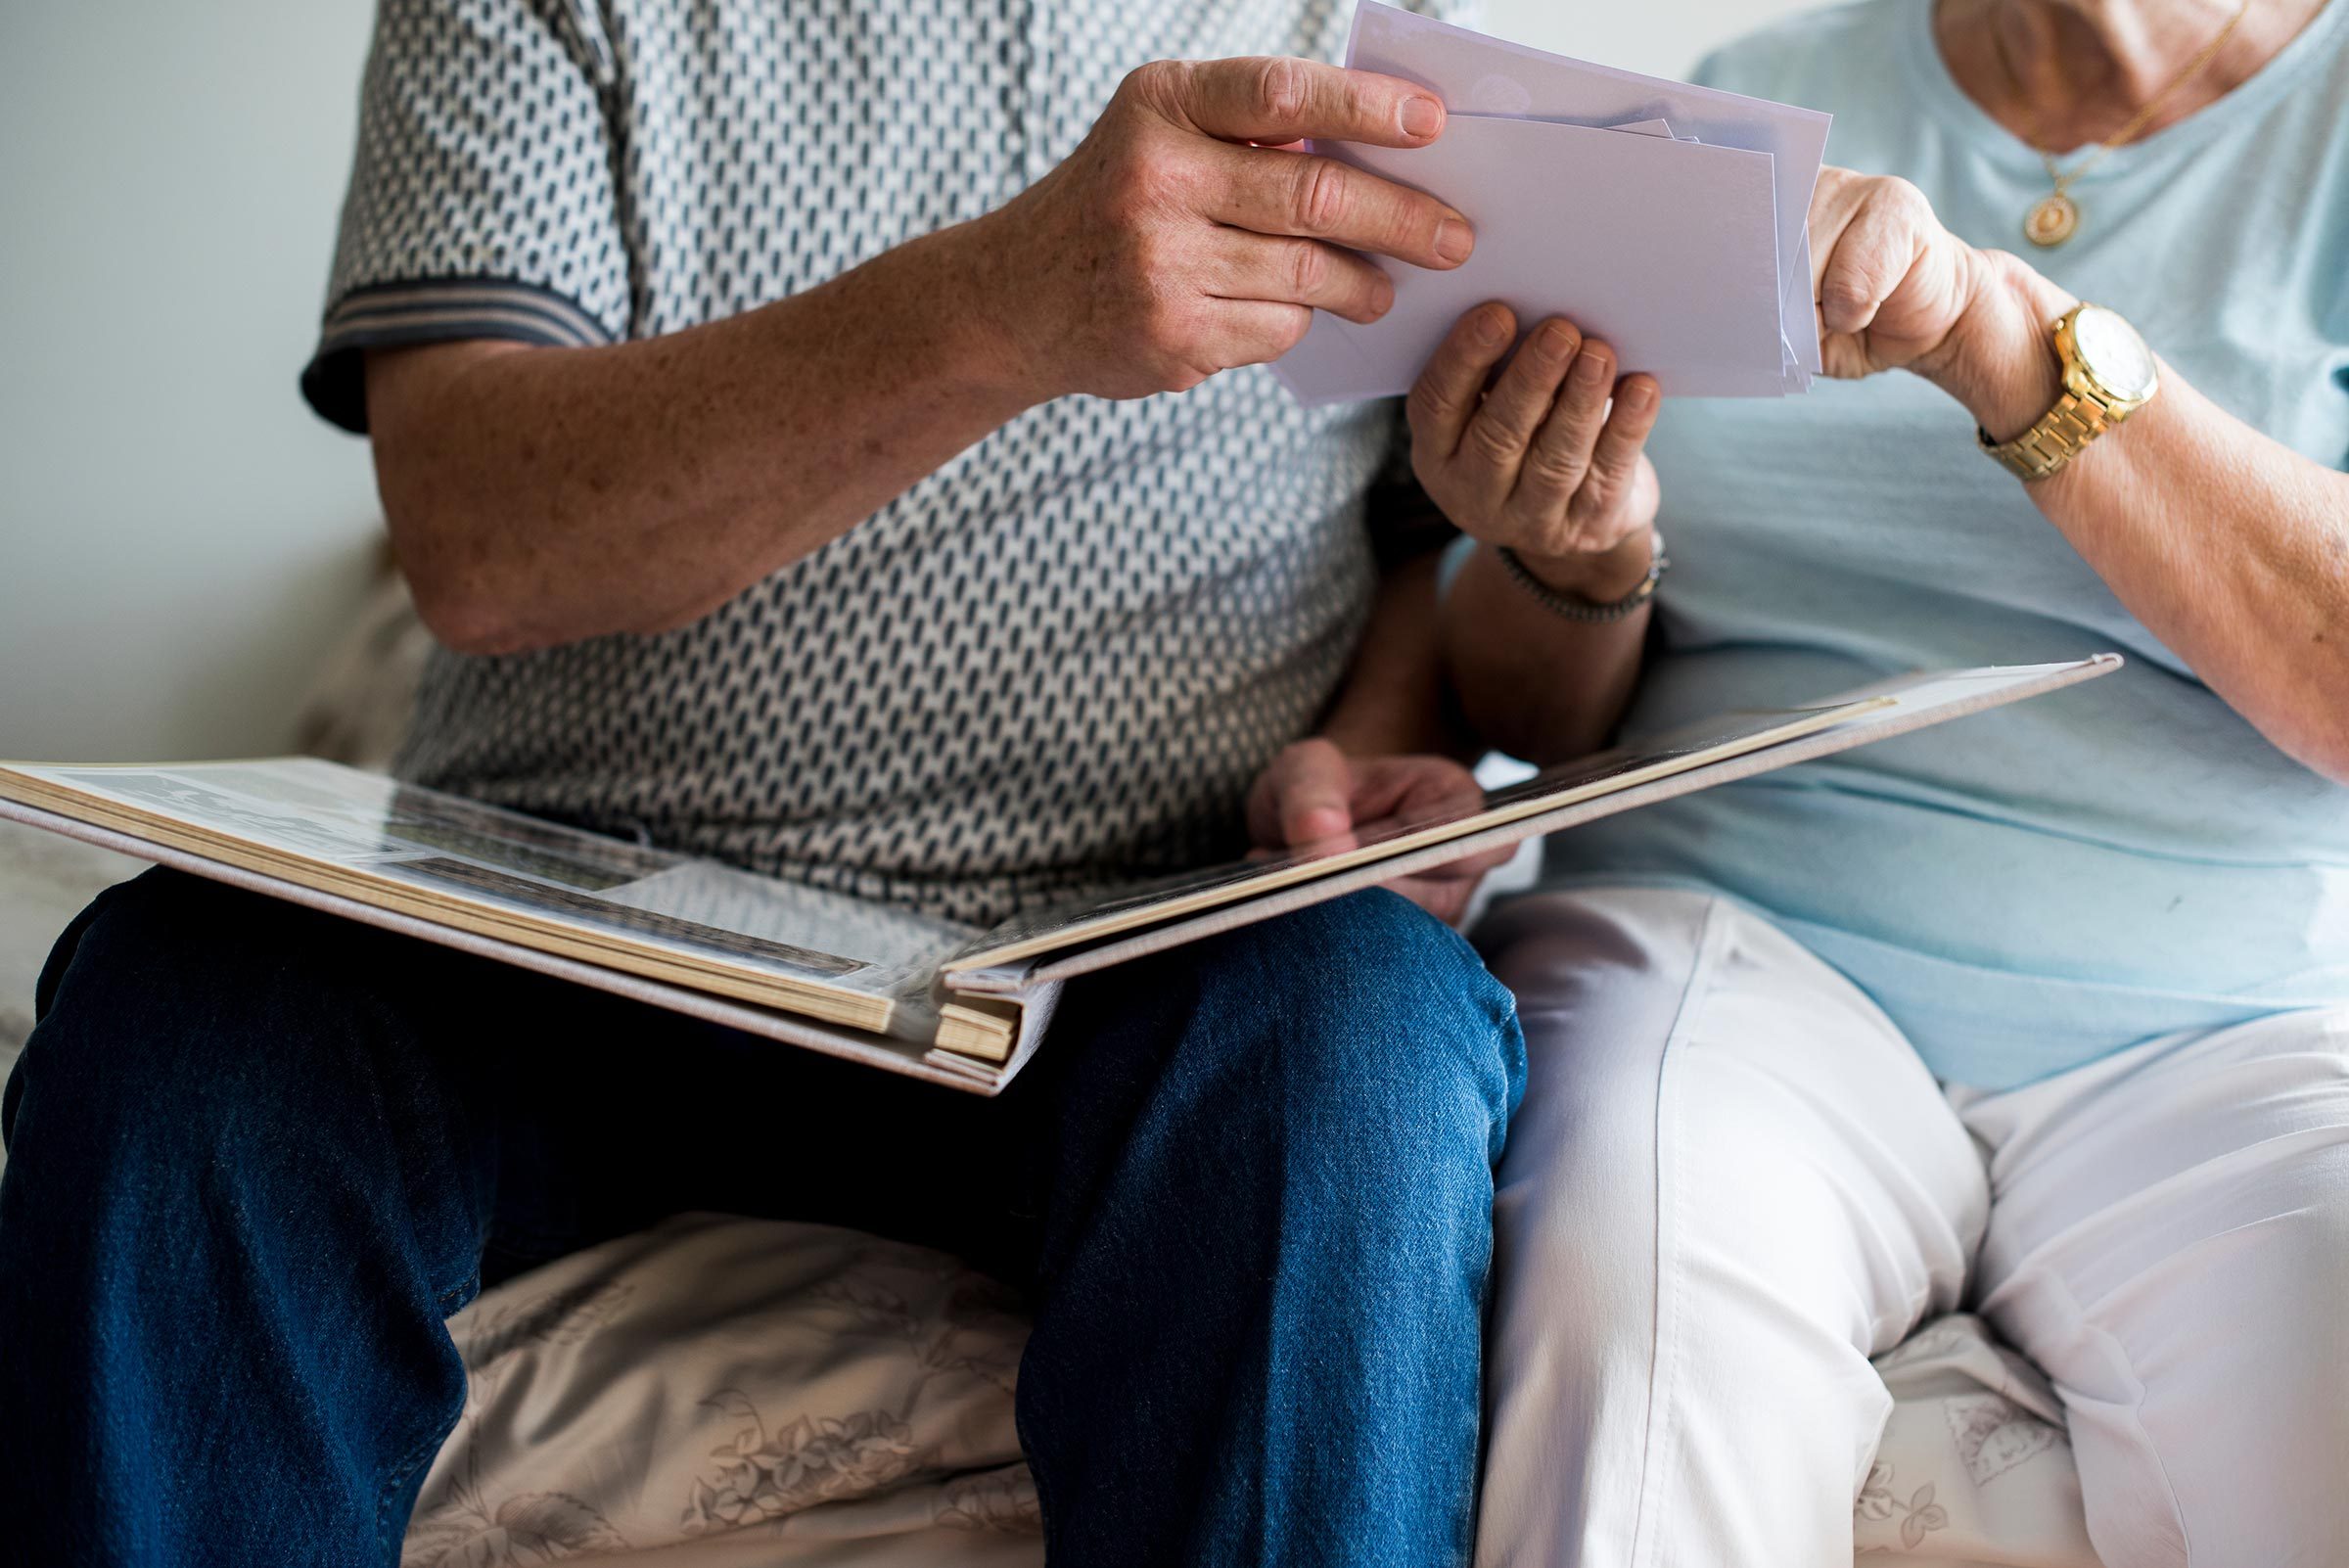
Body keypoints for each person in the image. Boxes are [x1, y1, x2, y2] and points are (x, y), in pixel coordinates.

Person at [0, 3, 1529, 1563]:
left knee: (1362, 1028)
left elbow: (1420, 536)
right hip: (552, 938)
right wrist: (1004, 299)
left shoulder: (1369, 38)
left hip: (1127, 952)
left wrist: (1360, 745)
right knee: (188, 1006)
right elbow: (477, 529)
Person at [1363, 0, 2348, 1561]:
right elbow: (1527, 712)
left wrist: (2001, 338)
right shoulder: (1752, 106)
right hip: (1740, 947)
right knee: (1638, 1267)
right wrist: (1578, 549)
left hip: (2217, 1031)